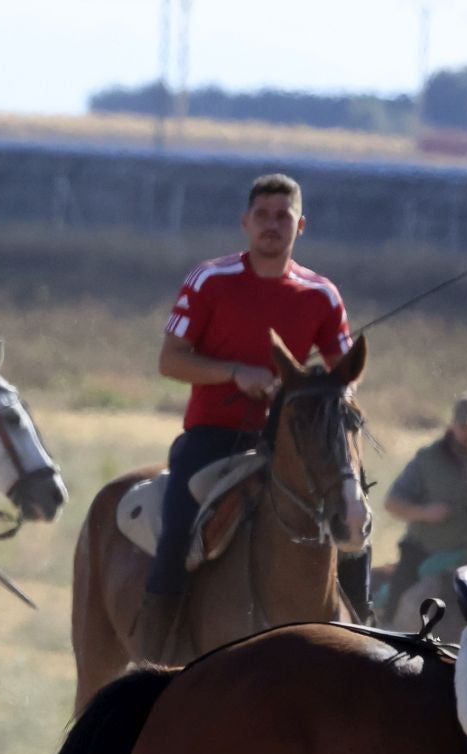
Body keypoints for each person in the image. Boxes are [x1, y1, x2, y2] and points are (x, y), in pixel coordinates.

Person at [142, 172, 360, 660]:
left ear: (300, 226)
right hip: (213, 435)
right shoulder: (209, 280)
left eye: (283, 217)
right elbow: (170, 360)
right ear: (245, 222)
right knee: (178, 523)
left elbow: (346, 374)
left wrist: (307, 393)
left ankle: (362, 628)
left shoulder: (321, 295)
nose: (271, 225)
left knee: (350, 509)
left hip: (292, 440)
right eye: (262, 215)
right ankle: (156, 647)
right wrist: (234, 373)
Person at [382, 391, 467, 616]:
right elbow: (392, 502)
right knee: (397, 604)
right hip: (423, 553)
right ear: (453, 425)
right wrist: (424, 512)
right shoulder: (427, 459)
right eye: (464, 427)